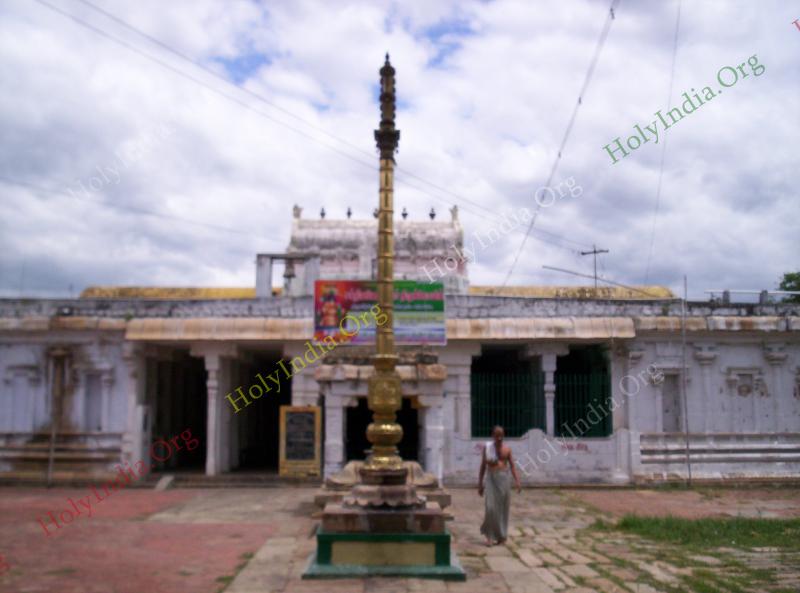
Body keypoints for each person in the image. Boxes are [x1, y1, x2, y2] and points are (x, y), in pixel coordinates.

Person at [478, 425, 521, 546]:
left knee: (502, 509)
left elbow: (512, 466)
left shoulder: (507, 449)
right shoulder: (488, 448)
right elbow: (483, 466)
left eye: (501, 435)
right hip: (491, 479)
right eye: (497, 435)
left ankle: (501, 536)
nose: (499, 438)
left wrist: (517, 481)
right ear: (493, 435)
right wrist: (480, 484)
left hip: (503, 480)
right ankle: (489, 536)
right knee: (490, 508)